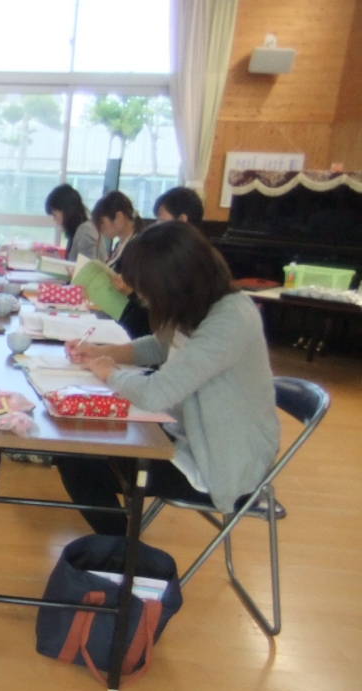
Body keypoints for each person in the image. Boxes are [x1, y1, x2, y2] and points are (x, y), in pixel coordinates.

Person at [58, 221, 280, 536]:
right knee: (85, 441)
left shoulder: (231, 319)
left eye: (146, 288)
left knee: (79, 462)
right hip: (189, 431)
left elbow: (154, 394)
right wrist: (101, 353)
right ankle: (123, 548)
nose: (142, 297)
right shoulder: (200, 305)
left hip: (222, 461)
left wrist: (109, 372)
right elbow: (160, 345)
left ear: (173, 282)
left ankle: (124, 552)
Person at [90, 191, 150, 339]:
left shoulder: (138, 246)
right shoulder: (120, 245)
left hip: (130, 321)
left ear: (119, 217)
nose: (100, 228)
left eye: (102, 223)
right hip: (116, 314)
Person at [44, 184, 107, 262]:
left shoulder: (85, 231)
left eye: (54, 215)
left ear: (65, 211)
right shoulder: (82, 229)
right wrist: (55, 258)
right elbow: (74, 264)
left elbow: (86, 267)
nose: (54, 220)